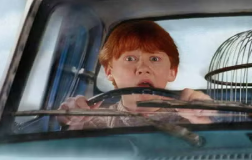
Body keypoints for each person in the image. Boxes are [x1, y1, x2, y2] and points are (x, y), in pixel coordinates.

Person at [58, 20, 213, 129]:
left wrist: (202, 118)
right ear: (109, 72)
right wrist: (72, 120)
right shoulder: (95, 122)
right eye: (130, 59)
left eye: (154, 59)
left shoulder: (189, 119)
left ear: (172, 72)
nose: (143, 68)